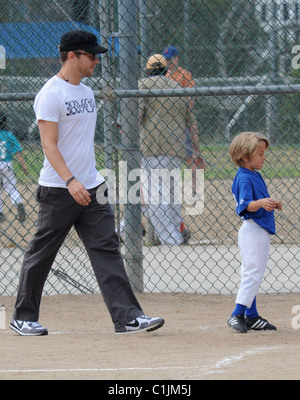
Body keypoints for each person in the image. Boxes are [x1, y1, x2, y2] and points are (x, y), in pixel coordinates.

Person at [9, 30, 164, 336]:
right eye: (91, 55)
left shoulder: (87, 93)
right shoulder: (51, 94)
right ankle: (23, 317)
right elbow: (49, 145)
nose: (96, 60)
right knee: (42, 252)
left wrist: (87, 180)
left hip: (92, 186)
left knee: (106, 249)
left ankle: (128, 317)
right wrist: (70, 181)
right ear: (72, 56)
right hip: (60, 188)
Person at [139, 54, 203, 245]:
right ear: (166, 70)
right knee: (172, 194)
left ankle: (171, 238)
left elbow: (136, 115)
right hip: (176, 149)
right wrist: (197, 151)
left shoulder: (144, 85)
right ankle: (175, 232)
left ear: (148, 71)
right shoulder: (178, 88)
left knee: (154, 197)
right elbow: (191, 124)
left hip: (152, 147)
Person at [227, 132, 282, 333]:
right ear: (245, 156)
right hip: (252, 230)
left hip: (258, 231)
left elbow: (257, 202)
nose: (263, 157)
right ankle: (237, 314)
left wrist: (272, 203)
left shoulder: (253, 175)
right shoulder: (243, 177)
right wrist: (260, 203)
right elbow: (245, 205)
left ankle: (251, 316)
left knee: (253, 273)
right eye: (259, 154)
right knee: (252, 273)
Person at [163, 47, 206, 192]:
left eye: (170, 59)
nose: (167, 62)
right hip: (168, 119)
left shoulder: (184, 74)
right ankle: (169, 187)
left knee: (191, 154)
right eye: (166, 59)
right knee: (168, 154)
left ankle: (194, 187)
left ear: (176, 59)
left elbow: (189, 97)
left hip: (182, 118)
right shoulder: (164, 75)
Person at [0, 113, 27, 223]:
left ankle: (0, 214)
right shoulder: (9, 135)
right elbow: (18, 153)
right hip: (7, 164)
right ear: (6, 123)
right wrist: (24, 166)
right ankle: (17, 202)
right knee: (11, 188)